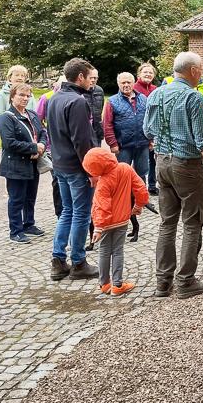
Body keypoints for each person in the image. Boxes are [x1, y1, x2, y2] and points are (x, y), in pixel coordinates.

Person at [144, 52, 203, 299]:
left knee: (167, 223)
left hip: (162, 163)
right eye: (200, 68)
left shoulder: (157, 94)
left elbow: (148, 130)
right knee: (192, 222)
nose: (202, 72)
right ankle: (186, 281)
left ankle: (162, 282)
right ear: (192, 71)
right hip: (187, 166)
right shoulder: (194, 97)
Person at [47, 58, 98, 281]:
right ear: (80, 77)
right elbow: (82, 141)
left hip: (60, 164)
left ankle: (58, 261)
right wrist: (91, 171)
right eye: (89, 77)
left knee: (67, 212)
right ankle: (78, 262)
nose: (91, 82)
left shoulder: (55, 97)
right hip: (76, 167)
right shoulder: (77, 101)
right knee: (80, 214)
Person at [83, 147, 149, 296]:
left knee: (104, 251)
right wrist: (138, 205)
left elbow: (101, 206)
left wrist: (98, 227)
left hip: (106, 224)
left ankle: (104, 284)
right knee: (118, 251)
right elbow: (140, 188)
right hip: (122, 220)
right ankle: (117, 284)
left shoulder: (103, 182)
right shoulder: (125, 168)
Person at [0, 83, 48, 244]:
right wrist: (33, 147)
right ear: (12, 96)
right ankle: (16, 230)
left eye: (28, 96)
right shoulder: (6, 117)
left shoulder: (32, 114)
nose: (25, 98)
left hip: (32, 164)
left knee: (30, 196)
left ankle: (29, 224)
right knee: (16, 198)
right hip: (15, 165)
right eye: (21, 95)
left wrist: (41, 146)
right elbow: (9, 143)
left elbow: (43, 132)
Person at [103, 72, 151, 242]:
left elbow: (149, 119)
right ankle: (124, 200)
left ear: (133, 83)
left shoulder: (143, 99)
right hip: (123, 145)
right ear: (118, 84)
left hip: (142, 143)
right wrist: (112, 143)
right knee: (122, 174)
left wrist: (150, 139)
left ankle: (141, 200)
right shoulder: (112, 102)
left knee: (142, 172)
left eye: (128, 82)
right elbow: (107, 124)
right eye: (123, 82)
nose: (126, 85)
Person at [36, 74, 66, 218]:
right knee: (58, 179)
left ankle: (67, 210)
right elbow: (38, 120)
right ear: (56, 84)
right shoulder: (46, 98)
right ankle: (60, 212)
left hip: (67, 147)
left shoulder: (75, 96)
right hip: (51, 147)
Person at [132, 62, 159, 196]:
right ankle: (139, 188)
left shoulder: (155, 89)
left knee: (153, 159)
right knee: (139, 162)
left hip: (154, 129)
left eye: (150, 73)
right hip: (139, 130)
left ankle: (152, 185)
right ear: (139, 75)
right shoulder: (134, 88)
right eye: (145, 72)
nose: (148, 74)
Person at [84, 68, 105, 146]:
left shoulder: (100, 90)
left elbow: (101, 110)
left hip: (97, 130)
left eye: (95, 78)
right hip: (85, 132)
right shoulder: (80, 91)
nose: (93, 80)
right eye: (91, 77)